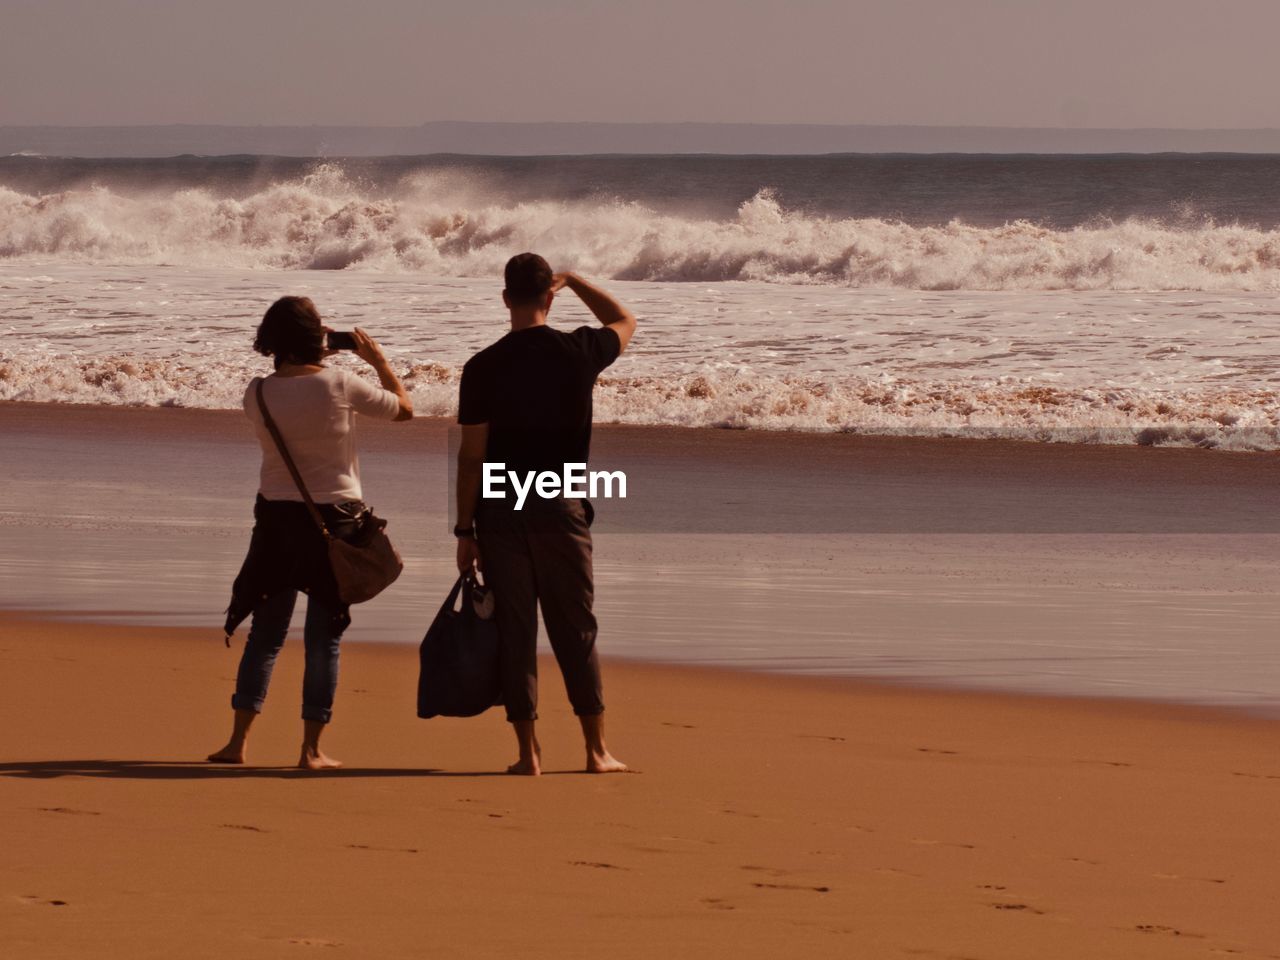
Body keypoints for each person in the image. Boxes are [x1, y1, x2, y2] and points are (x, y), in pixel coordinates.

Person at [210, 296, 413, 770]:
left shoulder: (256, 392)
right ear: (317, 338)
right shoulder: (341, 384)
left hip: (277, 522)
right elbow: (405, 410)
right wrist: (377, 359)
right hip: (334, 524)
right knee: (324, 640)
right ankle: (311, 749)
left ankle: (237, 743)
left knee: (266, 635)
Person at [454, 252, 636, 776]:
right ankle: (596, 751)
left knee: (517, 629)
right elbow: (625, 320)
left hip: (500, 506)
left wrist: (465, 530)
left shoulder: (482, 366)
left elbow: (472, 458)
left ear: (506, 298)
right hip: (560, 504)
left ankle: (527, 753)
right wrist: (577, 278)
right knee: (575, 625)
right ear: (549, 297)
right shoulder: (579, 350)